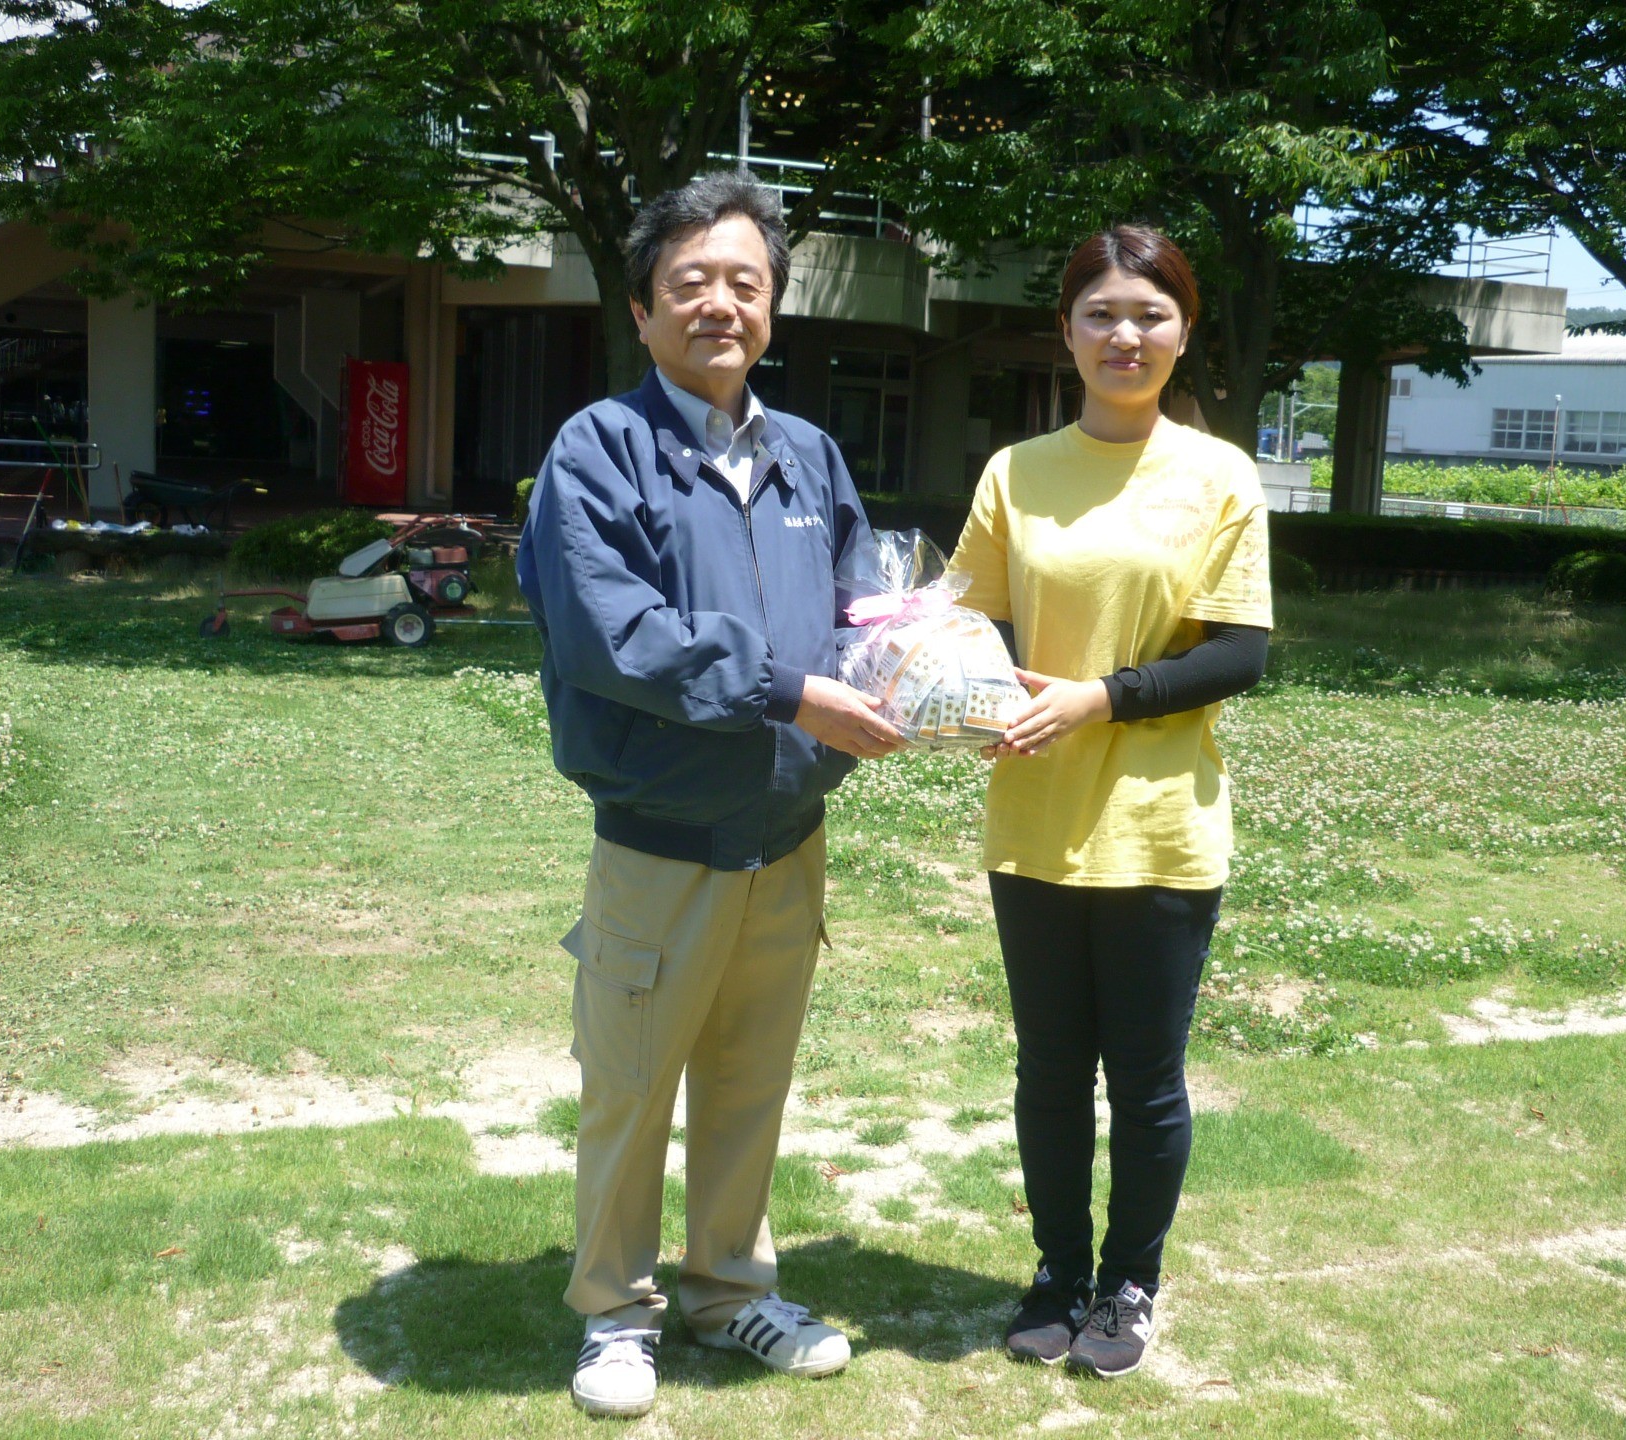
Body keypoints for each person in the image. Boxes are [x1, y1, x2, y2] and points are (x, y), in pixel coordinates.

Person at [516, 170, 904, 1420]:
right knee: (630, 1087)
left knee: (749, 1082)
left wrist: (937, 671)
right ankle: (614, 1317)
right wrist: (792, 695)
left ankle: (729, 1291)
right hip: (660, 841)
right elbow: (609, 634)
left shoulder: (809, 455)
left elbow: (862, 611)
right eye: (691, 283)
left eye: (747, 282)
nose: (720, 305)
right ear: (641, 310)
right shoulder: (598, 450)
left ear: (776, 308)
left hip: (788, 838)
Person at [946, 225, 1273, 1378]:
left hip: (1162, 826)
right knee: (1047, 1071)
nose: (1124, 335)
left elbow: (1240, 653)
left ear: (1184, 332)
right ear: (1067, 332)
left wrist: (1099, 696)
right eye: (1100, 314)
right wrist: (947, 684)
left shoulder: (1220, 474)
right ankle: (1055, 1270)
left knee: (1142, 1079)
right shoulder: (1014, 472)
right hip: (1032, 819)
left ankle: (1131, 1281)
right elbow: (969, 622)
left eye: (1149, 314)